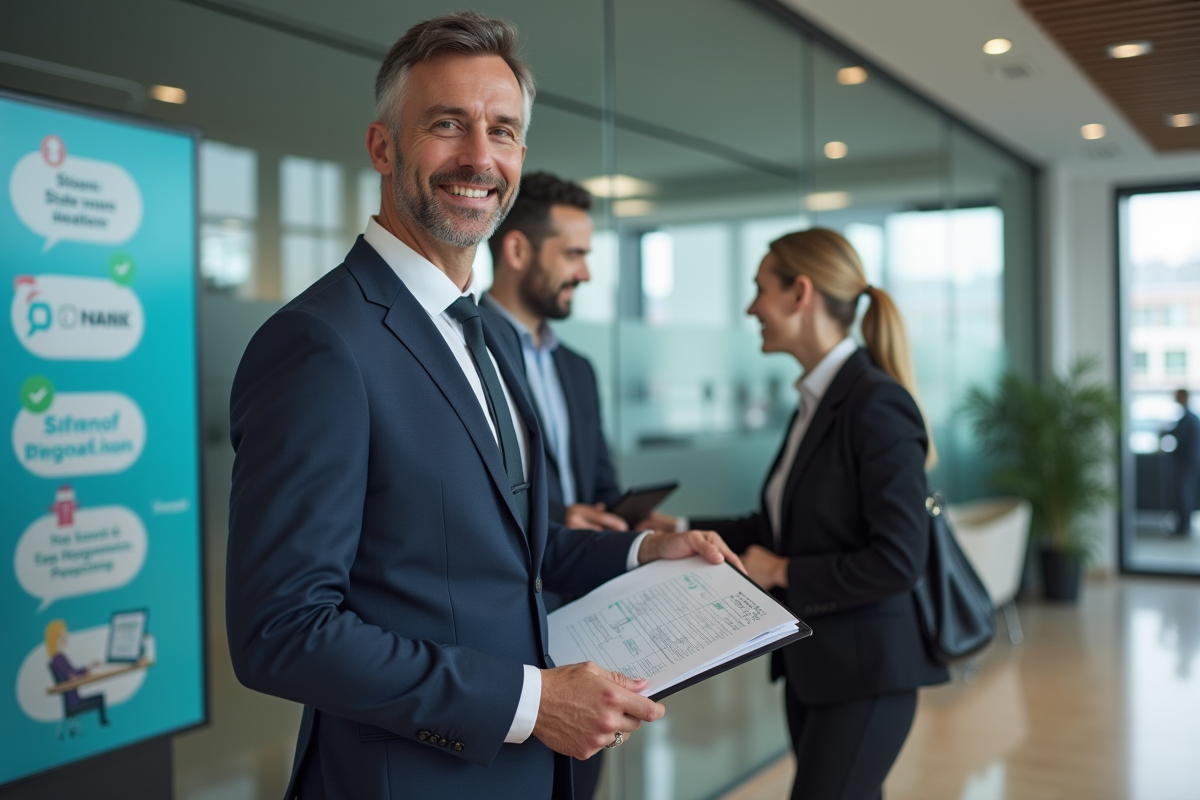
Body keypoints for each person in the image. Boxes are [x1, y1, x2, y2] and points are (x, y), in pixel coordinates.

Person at [224, 12, 740, 800]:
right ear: (383, 147)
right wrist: (532, 702)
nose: (478, 157)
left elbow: (504, 560)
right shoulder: (320, 343)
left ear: (521, 157)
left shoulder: (483, 331)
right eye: (446, 124)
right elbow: (283, 633)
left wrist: (638, 553)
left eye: (502, 131)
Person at [658, 229, 948, 800]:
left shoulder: (874, 402)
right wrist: (675, 530)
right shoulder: (820, 399)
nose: (750, 308)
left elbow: (897, 560)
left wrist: (783, 571)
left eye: (759, 289)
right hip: (820, 669)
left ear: (800, 294)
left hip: (867, 674)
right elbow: (777, 527)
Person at [479, 171, 674, 799]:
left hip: (590, 628)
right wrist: (565, 516)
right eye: (574, 253)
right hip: (505, 642)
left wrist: (634, 529)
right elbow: (468, 504)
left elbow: (601, 484)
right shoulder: (462, 352)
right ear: (517, 250)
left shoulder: (577, 370)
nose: (586, 273)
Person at [45, 619, 109, 727]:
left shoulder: (58, 657)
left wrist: (91, 666)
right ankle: (103, 722)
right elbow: (73, 677)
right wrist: (85, 675)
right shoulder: (59, 658)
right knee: (100, 698)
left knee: (99, 696)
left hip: (72, 700)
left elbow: (73, 671)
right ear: (57, 637)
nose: (66, 635)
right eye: (63, 633)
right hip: (74, 703)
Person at [1166, 388, 1200, 535]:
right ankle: (1183, 526)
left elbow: (1181, 439)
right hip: (1191, 461)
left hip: (1186, 461)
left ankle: (1183, 527)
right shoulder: (1190, 417)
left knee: (1183, 492)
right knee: (1186, 491)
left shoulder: (1188, 417)